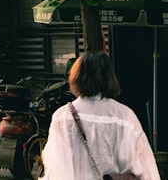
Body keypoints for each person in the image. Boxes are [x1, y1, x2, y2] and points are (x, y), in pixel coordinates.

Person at [42, 51, 159, 179]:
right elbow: (146, 167)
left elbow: (53, 166)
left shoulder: (62, 117)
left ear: (76, 77)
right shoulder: (124, 116)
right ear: (110, 78)